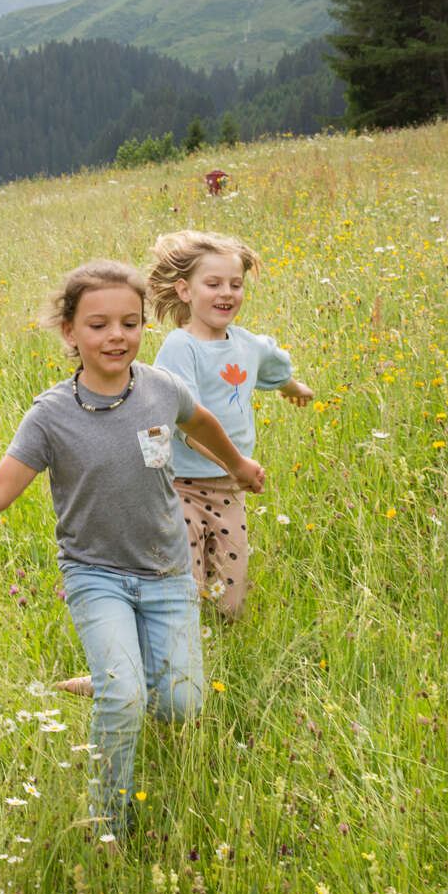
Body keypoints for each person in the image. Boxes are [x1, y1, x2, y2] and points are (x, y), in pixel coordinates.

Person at [0, 260, 264, 842]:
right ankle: (108, 822)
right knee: (126, 700)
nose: (117, 336)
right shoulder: (50, 415)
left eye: (130, 323)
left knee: (181, 704)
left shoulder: (160, 389)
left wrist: (236, 464)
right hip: (96, 575)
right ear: (70, 331)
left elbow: (200, 420)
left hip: (166, 572)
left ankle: (109, 679)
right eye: (100, 324)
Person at [149, 229, 313, 619]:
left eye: (235, 284)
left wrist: (296, 388)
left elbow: (274, 368)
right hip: (179, 487)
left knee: (228, 603)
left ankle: (219, 653)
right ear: (185, 291)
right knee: (182, 589)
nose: (227, 293)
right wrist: (234, 463)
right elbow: (185, 423)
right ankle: (158, 662)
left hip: (230, 491)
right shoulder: (179, 347)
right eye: (213, 284)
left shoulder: (249, 345)